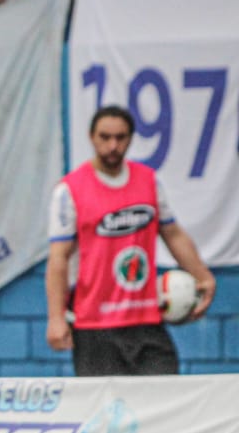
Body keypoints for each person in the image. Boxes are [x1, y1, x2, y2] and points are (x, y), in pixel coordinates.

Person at [45, 106, 216, 376]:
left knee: (165, 404)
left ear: (131, 138)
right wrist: (55, 318)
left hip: (146, 319)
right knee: (107, 414)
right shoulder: (69, 191)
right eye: (105, 137)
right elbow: (58, 259)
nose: (113, 145)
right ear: (91, 137)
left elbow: (172, 233)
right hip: (94, 325)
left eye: (121, 137)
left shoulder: (148, 182)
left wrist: (203, 276)